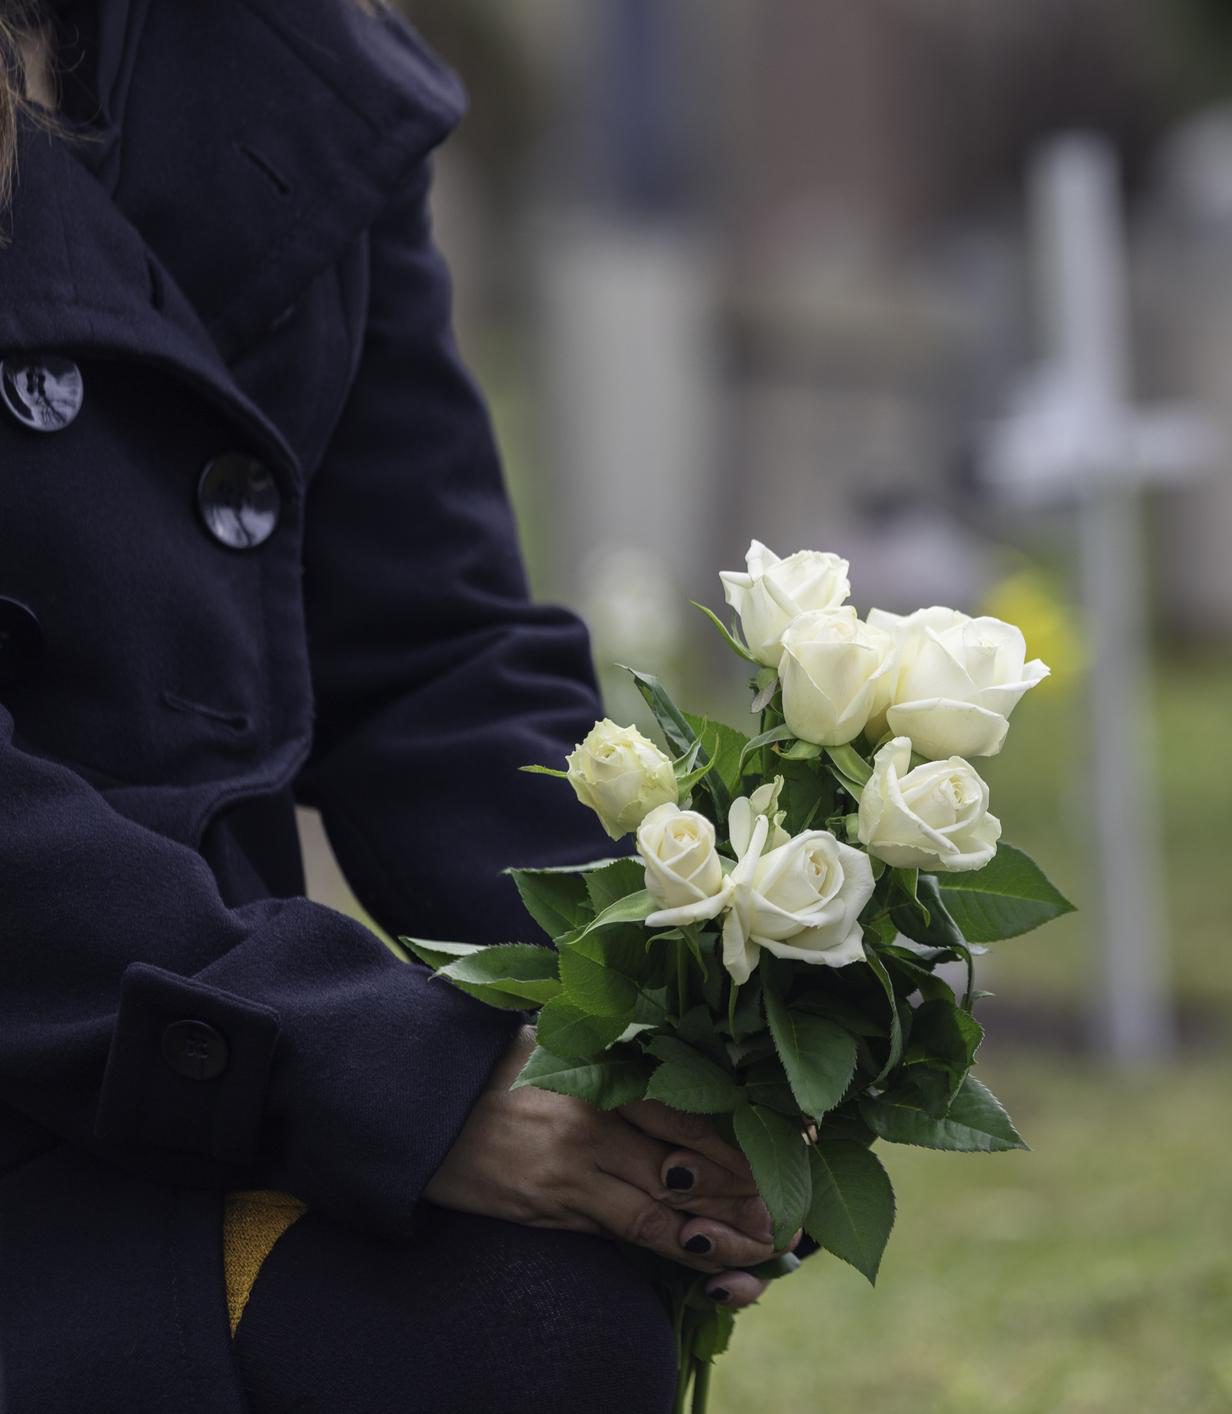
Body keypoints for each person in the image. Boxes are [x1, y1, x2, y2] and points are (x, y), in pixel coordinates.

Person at [0, 2, 782, 1409]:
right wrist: (393, 1084)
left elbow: (429, 642)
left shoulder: (283, 53)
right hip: (70, 1028)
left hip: (154, 1081)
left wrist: (647, 1032)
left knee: (550, 1316)